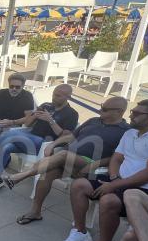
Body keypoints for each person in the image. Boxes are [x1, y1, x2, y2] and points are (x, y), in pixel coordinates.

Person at [61, 99, 148, 241]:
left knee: (109, 200)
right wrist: (114, 178)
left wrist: (114, 186)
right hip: (123, 183)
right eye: (132, 111)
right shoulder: (131, 133)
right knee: (80, 185)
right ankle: (80, 232)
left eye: (136, 113)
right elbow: (117, 158)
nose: (131, 115)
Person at [7, 96, 130, 224]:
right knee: (46, 174)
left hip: (91, 165)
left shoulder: (126, 131)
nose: (100, 110)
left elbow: (118, 157)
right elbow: (71, 136)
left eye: (104, 109)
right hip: (69, 160)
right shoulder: (93, 120)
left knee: (64, 154)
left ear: (119, 112)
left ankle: (19, 177)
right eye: (101, 106)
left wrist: (94, 165)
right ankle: (35, 211)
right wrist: (53, 144)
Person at [0, 84, 78, 192]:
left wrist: (51, 121)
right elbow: (28, 124)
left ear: (68, 97)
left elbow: (65, 136)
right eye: (54, 94)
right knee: (6, 145)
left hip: (44, 145)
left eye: (58, 96)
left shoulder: (72, 114)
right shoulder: (46, 105)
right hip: (28, 138)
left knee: (11, 134)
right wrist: (34, 115)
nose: (54, 97)